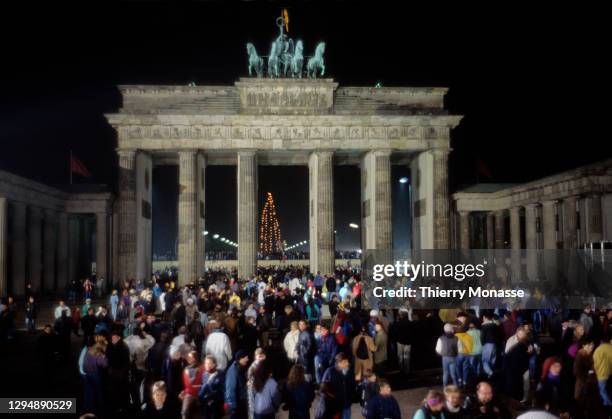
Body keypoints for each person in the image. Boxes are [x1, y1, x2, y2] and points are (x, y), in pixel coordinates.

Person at [320, 352, 355, 419]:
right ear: (339, 363)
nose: (347, 364)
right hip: (335, 407)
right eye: (345, 362)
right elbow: (323, 388)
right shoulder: (329, 372)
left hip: (346, 405)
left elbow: (352, 386)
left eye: (347, 361)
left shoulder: (350, 371)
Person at [106, 328, 131, 414]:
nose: (113, 339)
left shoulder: (124, 347)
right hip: (113, 371)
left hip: (120, 372)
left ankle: (121, 406)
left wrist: (123, 372)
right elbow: (108, 357)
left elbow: (125, 361)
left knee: (120, 390)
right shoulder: (110, 345)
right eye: (112, 338)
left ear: (119, 337)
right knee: (113, 389)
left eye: (114, 337)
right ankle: (114, 405)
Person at [199, 355, 225, 419]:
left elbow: (222, 389)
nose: (206, 365)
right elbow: (202, 388)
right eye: (205, 363)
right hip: (206, 404)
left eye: (209, 363)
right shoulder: (204, 375)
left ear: (214, 364)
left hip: (217, 404)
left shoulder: (220, 374)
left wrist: (210, 394)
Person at [180, 350, 204, 419]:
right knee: (184, 412)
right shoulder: (186, 369)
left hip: (199, 393)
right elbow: (186, 384)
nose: (188, 358)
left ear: (195, 358)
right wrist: (184, 391)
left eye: (190, 357)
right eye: (188, 357)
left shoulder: (202, 368)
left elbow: (203, 382)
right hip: (189, 393)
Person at [225, 350, 249, 419]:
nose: (247, 359)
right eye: (245, 358)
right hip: (236, 407)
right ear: (240, 359)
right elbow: (230, 389)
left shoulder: (240, 368)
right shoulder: (233, 371)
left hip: (241, 404)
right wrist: (233, 407)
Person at [390, 308, 413, 375]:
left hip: (400, 342)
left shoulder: (398, 323)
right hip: (408, 342)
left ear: (401, 315)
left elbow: (394, 332)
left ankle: (401, 370)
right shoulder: (410, 323)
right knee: (407, 357)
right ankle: (407, 371)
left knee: (400, 356)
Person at [593, 337, 612, 408]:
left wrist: (594, 371)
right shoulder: (611, 348)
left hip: (601, 374)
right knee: (608, 389)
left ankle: (608, 404)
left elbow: (595, 363)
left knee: (602, 390)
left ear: (601, 342)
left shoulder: (599, 349)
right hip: (609, 373)